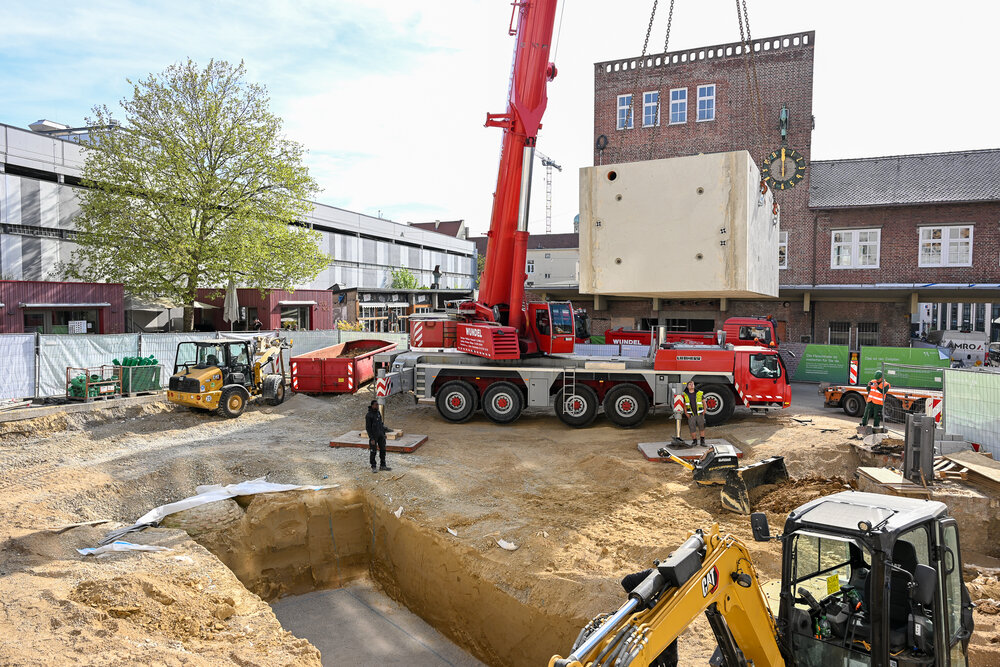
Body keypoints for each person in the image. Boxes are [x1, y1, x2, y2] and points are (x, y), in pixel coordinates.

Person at [365, 400, 391, 473]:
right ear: (372, 405)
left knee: (383, 450)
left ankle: (383, 465)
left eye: (377, 405)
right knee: (373, 451)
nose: (377, 406)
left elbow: (381, 424)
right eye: (376, 405)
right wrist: (371, 438)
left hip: (380, 435)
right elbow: (368, 428)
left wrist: (384, 434)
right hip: (374, 436)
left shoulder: (378, 413)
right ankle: (373, 466)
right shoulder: (369, 415)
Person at [681, 380, 706, 445]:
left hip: (700, 414)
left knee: (701, 427)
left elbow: (704, 402)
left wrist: (704, 410)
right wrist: (686, 413)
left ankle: (702, 442)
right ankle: (694, 441)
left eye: (693, 384)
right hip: (691, 415)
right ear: (687, 386)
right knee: (692, 428)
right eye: (690, 384)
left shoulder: (699, 393)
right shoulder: (685, 395)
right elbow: (685, 405)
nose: (692, 385)